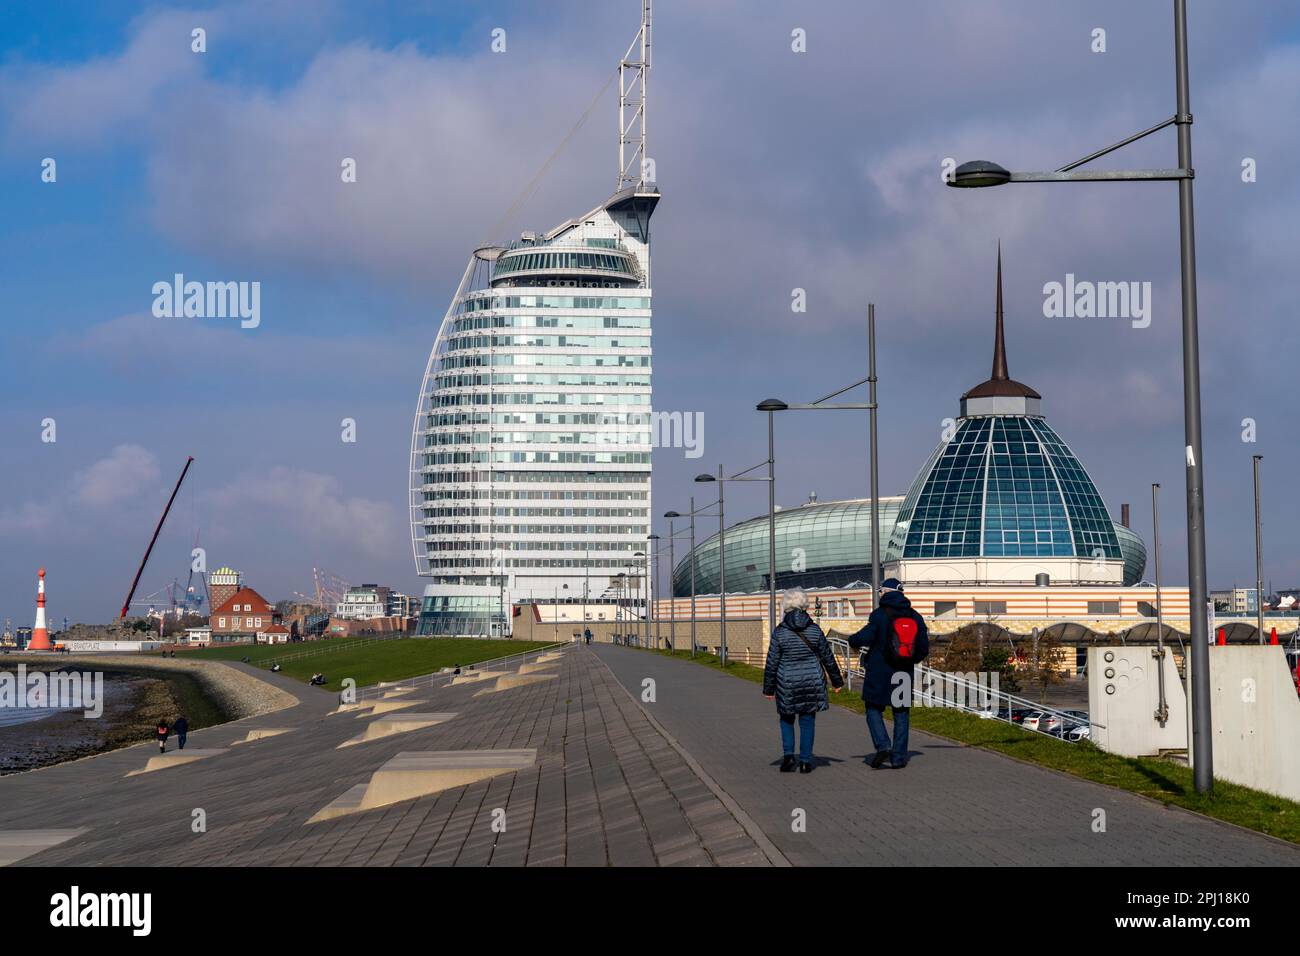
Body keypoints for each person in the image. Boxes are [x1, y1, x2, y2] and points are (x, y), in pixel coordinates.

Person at [848, 578, 929, 769]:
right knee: (901, 713)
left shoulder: (879, 615)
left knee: (873, 709)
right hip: (904, 672)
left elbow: (865, 637)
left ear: (885, 592)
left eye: (880, 591)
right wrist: (909, 660)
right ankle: (899, 758)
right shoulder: (915, 616)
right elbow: (924, 647)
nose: (879, 595)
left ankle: (883, 745)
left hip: (879, 672)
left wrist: (852, 640)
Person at [762, 587, 843, 774]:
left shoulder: (780, 632)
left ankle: (789, 757)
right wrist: (837, 682)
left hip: (786, 682)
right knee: (807, 721)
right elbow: (827, 657)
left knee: (786, 718)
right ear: (804, 605)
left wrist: (769, 689)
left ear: (786, 605)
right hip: (811, 681)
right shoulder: (814, 630)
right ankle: (806, 761)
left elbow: (772, 661)